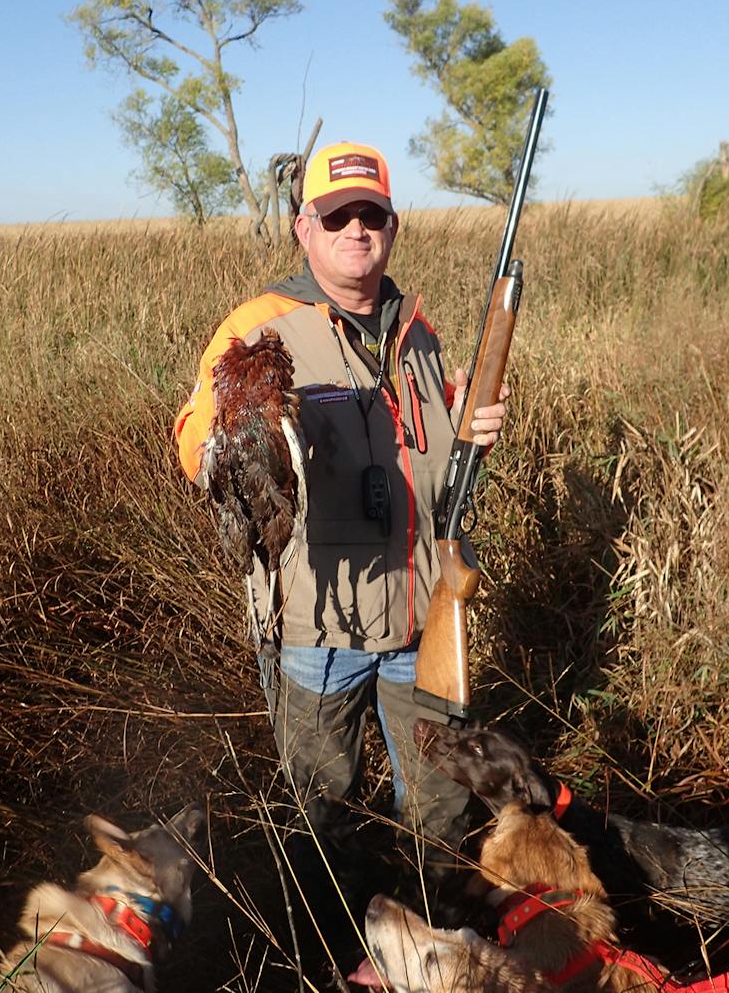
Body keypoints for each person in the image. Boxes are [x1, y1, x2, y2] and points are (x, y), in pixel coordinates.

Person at [172, 141, 508, 917]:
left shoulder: (415, 332)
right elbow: (193, 437)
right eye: (337, 216)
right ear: (305, 227)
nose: (356, 230)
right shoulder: (259, 327)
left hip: (422, 618)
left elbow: (437, 450)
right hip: (315, 627)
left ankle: (428, 933)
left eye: (372, 214)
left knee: (442, 808)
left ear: (392, 225)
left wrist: (469, 423)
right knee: (320, 813)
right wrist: (233, 432)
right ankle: (325, 939)